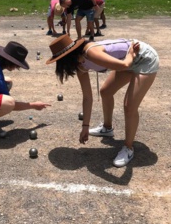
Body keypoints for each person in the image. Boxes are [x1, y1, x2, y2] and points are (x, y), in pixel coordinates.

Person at [46, 35, 159, 167]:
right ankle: (107, 128)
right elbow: (87, 97)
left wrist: (131, 54)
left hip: (143, 58)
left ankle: (128, 148)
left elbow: (124, 64)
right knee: (106, 92)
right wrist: (85, 127)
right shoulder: (80, 65)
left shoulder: (90, 52)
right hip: (128, 61)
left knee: (129, 106)